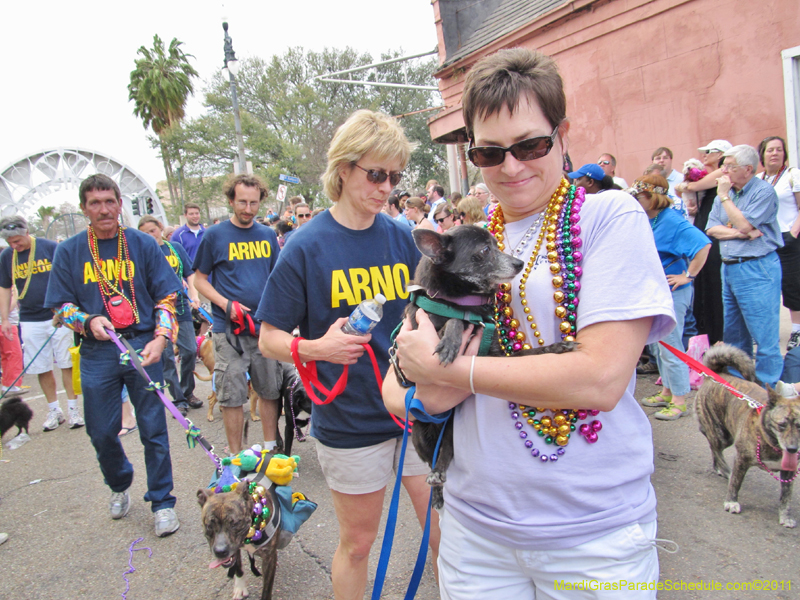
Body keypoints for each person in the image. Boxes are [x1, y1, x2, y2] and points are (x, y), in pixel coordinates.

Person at [383, 48, 674, 599]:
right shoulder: (460, 247)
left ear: (562, 135)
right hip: (475, 529)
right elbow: (398, 382)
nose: (512, 166)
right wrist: (422, 396)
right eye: (491, 153)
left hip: (592, 532)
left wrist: (456, 373)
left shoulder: (608, 217)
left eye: (531, 145)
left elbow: (600, 380)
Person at [257, 109, 439, 599]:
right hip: (349, 421)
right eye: (375, 174)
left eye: (395, 176)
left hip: (412, 412)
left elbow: (422, 310)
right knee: (358, 544)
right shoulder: (305, 245)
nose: (386, 187)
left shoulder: (401, 236)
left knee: (443, 536)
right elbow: (268, 336)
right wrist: (317, 347)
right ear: (343, 169)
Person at [44, 173, 181, 536]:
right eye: (95, 203)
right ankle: (119, 482)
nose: (104, 209)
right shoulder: (69, 251)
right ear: (84, 209)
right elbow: (59, 306)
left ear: (120, 204)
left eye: (109, 201)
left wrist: (161, 337)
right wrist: (86, 321)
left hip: (142, 345)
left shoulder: (142, 244)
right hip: (96, 351)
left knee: (154, 428)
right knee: (102, 431)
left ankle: (163, 501)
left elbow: (167, 296)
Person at [193, 174, 282, 455]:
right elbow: (200, 279)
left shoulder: (268, 235)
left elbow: (277, 280)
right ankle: (235, 457)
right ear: (231, 200)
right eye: (242, 202)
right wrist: (225, 304)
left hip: (262, 328)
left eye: (254, 203)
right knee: (231, 394)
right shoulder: (214, 235)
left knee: (269, 390)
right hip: (227, 330)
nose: (248, 209)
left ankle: (270, 450)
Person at [634, 174, 711, 420]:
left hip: (674, 291)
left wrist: (688, 276)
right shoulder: (652, 218)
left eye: (640, 196)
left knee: (670, 344)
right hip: (658, 290)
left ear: (652, 197)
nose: (636, 199)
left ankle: (679, 400)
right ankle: (667, 391)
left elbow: (703, 245)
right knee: (659, 343)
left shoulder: (672, 221)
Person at [706, 145, 783, 387]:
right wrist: (739, 233)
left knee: (764, 335)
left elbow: (744, 223)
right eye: (723, 165)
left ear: (748, 169)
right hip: (729, 267)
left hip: (757, 268)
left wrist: (726, 198)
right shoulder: (724, 192)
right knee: (735, 334)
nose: (724, 171)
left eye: (730, 166)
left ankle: (768, 390)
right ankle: (742, 386)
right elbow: (711, 228)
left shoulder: (763, 192)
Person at [0, 216, 84, 427]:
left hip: (57, 316)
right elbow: (5, 287)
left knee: (66, 363)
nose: (14, 245)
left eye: (17, 240)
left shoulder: (49, 248)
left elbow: (68, 277)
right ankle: (54, 410)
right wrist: (4, 319)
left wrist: (66, 309)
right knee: (41, 366)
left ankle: (74, 409)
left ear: (26, 232)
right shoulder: (7, 256)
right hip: (29, 317)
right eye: (10, 242)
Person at [137, 216, 202, 415]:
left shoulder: (174, 248)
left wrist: (194, 294)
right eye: (145, 233)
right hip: (156, 313)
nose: (150, 236)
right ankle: (178, 398)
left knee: (190, 350)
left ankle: (187, 390)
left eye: (152, 231)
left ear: (160, 229)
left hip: (180, 308)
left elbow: (190, 273)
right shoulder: (141, 253)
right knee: (166, 358)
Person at [675, 139, 732, 345]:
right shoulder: (711, 174)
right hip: (702, 221)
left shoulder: (722, 172)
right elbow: (682, 189)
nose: (705, 155)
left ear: (722, 154)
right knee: (704, 284)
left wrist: (687, 185)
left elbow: (694, 186)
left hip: (713, 226)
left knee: (713, 283)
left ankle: (717, 334)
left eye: (710, 151)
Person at [757, 136, 800, 350]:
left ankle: (796, 331)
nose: (774, 153)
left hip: (788, 237)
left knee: (792, 286)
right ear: (762, 154)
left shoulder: (792, 175)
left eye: (779, 150)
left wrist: (793, 233)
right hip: (765, 240)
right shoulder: (758, 179)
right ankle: (768, 332)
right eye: (770, 150)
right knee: (767, 287)